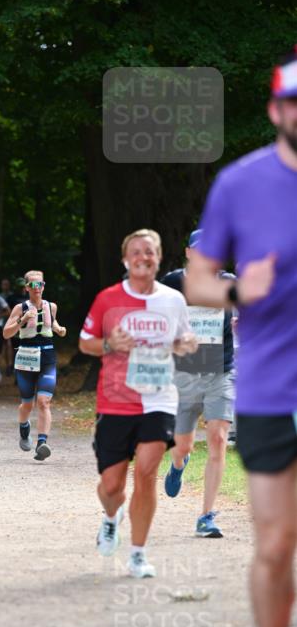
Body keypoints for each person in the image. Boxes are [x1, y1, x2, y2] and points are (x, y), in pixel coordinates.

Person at [184, 48, 297, 627]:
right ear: (275, 109)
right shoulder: (240, 183)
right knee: (276, 544)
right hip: (270, 388)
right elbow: (197, 280)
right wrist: (236, 292)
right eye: (293, 103)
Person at [79, 229, 198, 578]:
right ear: (124, 259)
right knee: (112, 486)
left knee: (146, 473)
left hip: (159, 399)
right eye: (135, 251)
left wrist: (186, 343)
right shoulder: (107, 299)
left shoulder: (174, 300)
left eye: (149, 251)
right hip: (115, 401)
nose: (142, 257)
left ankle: (138, 554)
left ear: (158, 258)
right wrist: (109, 344)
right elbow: (85, 342)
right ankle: (111, 516)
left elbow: (185, 339)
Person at [161, 229, 237, 537]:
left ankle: (206, 516)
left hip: (221, 372)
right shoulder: (172, 282)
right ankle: (179, 464)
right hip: (184, 374)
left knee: (218, 439)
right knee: (183, 445)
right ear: (189, 253)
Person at [3, 271, 67, 461]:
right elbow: (6, 333)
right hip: (26, 358)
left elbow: (53, 324)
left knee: (44, 401)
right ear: (26, 287)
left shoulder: (51, 306)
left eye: (40, 284)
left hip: (47, 357)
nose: (37, 288)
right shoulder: (20, 308)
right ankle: (24, 428)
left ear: (44, 286)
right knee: (27, 404)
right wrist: (22, 320)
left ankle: (42, 443)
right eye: (32, 285)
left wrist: (59, 329)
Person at [0, 277, 24, 375]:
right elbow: (6, 312)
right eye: (20, 287)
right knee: (14, 347)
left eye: (23, 286)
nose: (22, 288)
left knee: (24, 348)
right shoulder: (11, 298)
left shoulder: (30, 297)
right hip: (15, 326)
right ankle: (12, 367)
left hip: (27, 327)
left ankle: (22, 369)